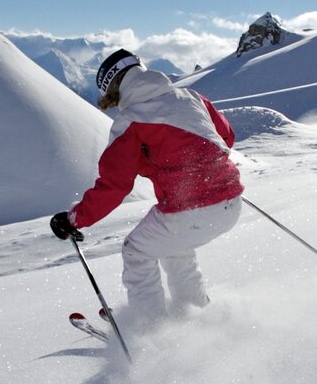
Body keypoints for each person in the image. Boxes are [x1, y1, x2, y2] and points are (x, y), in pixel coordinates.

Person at [50, 49, 244, 325]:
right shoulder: (192, 97)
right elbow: (226, 136)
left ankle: (149, 330)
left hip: (190, 211)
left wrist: (75, 219)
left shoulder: (131, 120)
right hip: (231, 202)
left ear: (114, 88)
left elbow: (115, 185)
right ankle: (194, 314)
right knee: (175, 247)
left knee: (136, 251)